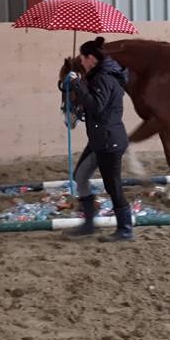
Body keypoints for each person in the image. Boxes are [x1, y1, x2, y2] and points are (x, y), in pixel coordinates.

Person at [63, 36, 133, 242]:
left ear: (91, 58)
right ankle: (88, 223)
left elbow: (96, 105)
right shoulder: (99, 76)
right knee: (81, 175)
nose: (81, 62)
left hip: (109, 141)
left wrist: (77, 84)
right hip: (99, 139)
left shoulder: (104, 78)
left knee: (113, 186)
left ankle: (125, 229)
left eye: (83, 58)